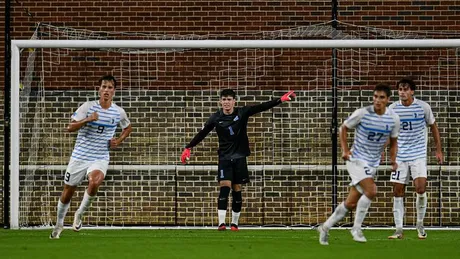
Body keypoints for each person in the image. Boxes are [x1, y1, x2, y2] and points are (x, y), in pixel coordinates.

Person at [180, 89, 295, 231]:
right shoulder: (215, 118)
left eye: (229, 99)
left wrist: (280, 100)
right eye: (224, 99)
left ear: (234, 101)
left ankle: (234, 224)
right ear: (220, 102)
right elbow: (202, 133)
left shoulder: (242, 112)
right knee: (224, 186)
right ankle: (221, 223)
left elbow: (261, 107)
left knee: (236, 189)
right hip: (224, 157)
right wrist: (188, 147)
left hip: (240, 156)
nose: (226, 102)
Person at [50, 75, 132, 239]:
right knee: (68, 190)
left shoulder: (118, 112)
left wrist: (118, 140)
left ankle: (80, 213)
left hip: (100, 156)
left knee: (95, 181)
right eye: (103, 87)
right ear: (99, 89)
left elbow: (128, 127)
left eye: (109, 87)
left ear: (114, 91)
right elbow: (70, 127)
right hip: (80, 156)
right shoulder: (87, 107)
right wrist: (88, 119)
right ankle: (59, 224)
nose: (106, 90)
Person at [318, 83, 400, 245]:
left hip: (372, 162)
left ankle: (325, 227)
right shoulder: (362, 113)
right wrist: (345, 150)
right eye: (375, 97)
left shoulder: (393, 118)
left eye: (381, 98)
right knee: (371, 190)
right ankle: (356, 228)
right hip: (355, 159)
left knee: (351, 202)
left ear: (388, 100)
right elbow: (343, 128)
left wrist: (393, 159)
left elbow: (393, 141)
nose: (377, 100)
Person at [387, 77, 443, 240]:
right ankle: (398, 230)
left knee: (420, 188)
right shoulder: (393, 108)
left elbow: (433, 127)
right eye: (400, 89)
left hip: (418, 155)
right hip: (400, 156)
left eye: (405, 89)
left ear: (412, 91)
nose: (402, 92)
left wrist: (438, 150)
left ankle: (420, 225)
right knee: (397, 190)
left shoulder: (423, 107)